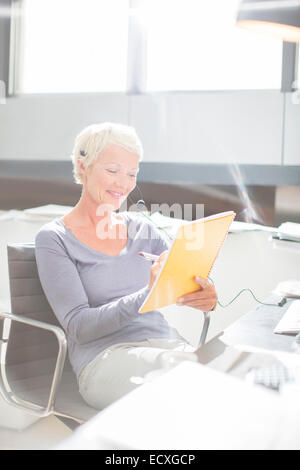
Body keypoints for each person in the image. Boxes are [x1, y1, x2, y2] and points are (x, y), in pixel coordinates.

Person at [35, 122, 218, 410]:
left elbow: (184, 274)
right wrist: (148, 293)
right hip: (104, 359)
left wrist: (202, 292)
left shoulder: (142, 228)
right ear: (83, 166)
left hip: (165, 345)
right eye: (112, 171)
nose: (123, 183)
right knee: (186, 384)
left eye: (131, 174)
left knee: (224, 376)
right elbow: (78, 327)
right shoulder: (54, 238)